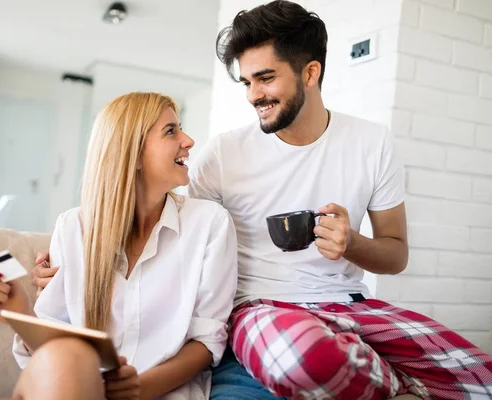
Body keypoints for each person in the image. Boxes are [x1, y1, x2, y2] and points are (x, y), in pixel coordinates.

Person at [33, 2, 492, 399]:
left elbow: (395, 253)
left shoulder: (372, 143)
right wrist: (74, 267)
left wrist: (352, 243)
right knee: (302, 355)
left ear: (310, 72)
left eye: (266, 78)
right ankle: (387, 381)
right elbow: (173, 236)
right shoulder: (221, 155)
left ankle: (363, 366)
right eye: (247, 82)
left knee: (479, 376)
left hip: (351, 308)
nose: (254, 95)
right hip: (261, 310)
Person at [0, 92, 238, 400]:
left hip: (164, 394)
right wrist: (18, 311)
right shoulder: (73, 228)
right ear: (133, 154)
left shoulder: (209, 224)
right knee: (63, 364)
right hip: (78, 389)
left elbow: (207, 341)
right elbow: (56, 353)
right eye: (171, 131)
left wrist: (137, 389)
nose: (189, 140)